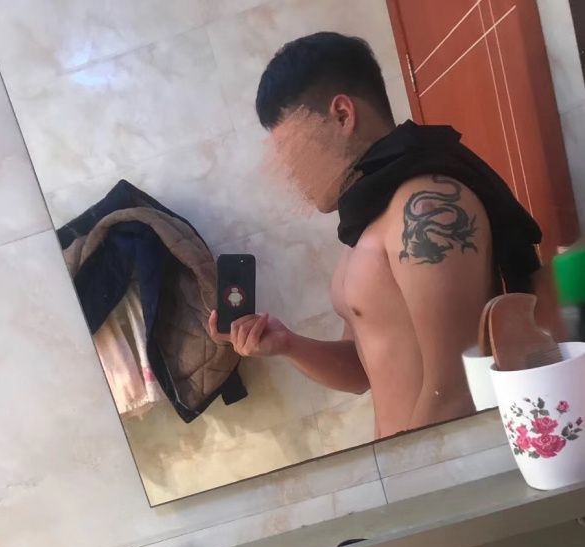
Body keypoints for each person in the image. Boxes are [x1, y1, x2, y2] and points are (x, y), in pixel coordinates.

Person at [208, 32, 556, 438]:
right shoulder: (368, 223)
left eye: (291, 149)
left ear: (342, 115)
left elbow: (457, 391)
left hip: (453, 466)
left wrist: (410, 475)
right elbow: (363, 372)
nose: (289, 173)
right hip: (419, 463)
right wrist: (288, 344)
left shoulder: (422, 207)